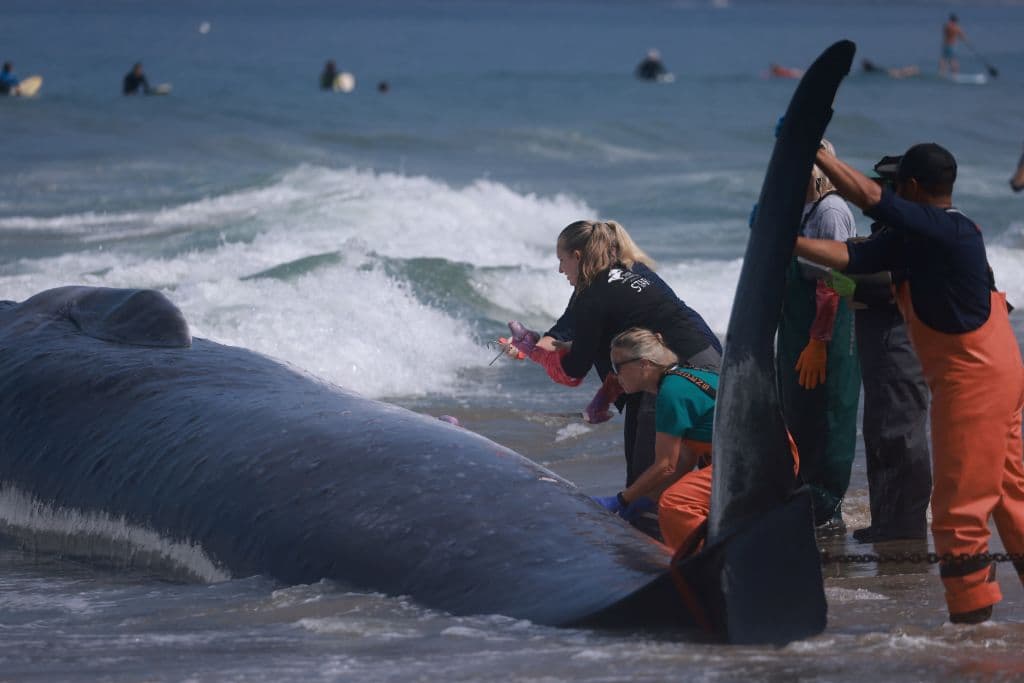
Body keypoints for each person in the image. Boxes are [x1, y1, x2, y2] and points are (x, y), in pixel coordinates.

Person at [794, 141, 1024, 624]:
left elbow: (873, 201)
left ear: (914, 188)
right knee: (1008, 494)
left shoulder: (950, 228)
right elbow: (851, 257)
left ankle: (972, 631)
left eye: (898, 185)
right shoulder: (915, 238)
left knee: (957, 513)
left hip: (974, 379)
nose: (892, 192)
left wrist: (822, 157)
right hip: (993, 370)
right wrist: (785, 241)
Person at [505, 220, 721, 536]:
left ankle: (652, 560)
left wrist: (537, 354)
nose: (560, 270)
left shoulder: (594, 294)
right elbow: (579, 333)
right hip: (708, 359)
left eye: (561, 260)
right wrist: (543, 347)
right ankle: (700, 536)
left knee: (649, 477)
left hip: (673, 370)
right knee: (695, 463)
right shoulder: (631, 272)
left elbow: (574, 368)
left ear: (577, 256)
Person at [776, 139, 860, 535]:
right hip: (795, 332)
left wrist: (818, 341)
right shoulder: (799, 211)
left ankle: (828, 509)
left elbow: (838, 279)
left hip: (825, 335)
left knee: (827, 419)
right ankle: (804, 502)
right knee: (798, 418)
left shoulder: (830, 212)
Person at [848, 155, 931, 543]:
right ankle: (886, 520)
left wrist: (841, 283)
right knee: (880, 431)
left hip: (901, 346)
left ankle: (906, 524)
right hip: (881, 346)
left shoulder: (917, 232)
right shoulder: (890, 229)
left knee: (901, 434)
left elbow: (889, 285)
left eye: (886, 186)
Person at [596, 328, 718, 551]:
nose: (615, 376)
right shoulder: (683, 377)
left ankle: (707, 567)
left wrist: (621, 500)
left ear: (644, 364)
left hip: (755, 458)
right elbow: (684, 459)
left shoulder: (671, 393)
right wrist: (646, 498)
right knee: (666, 499)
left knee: (676, 503)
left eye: (618, 367)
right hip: (764, 452)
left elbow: (666, 466)